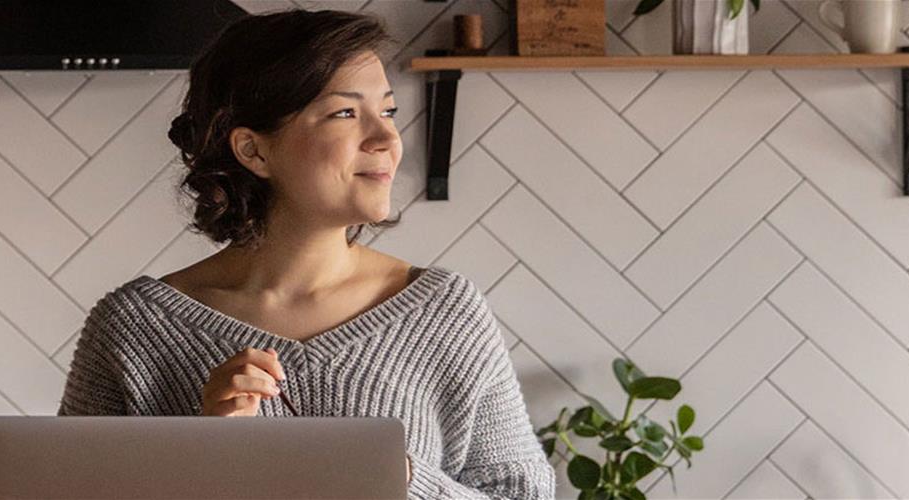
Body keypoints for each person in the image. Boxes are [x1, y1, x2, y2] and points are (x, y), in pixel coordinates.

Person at [56, 8, 556, 500]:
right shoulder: (132, 329)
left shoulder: (446, 312)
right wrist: (201, 455)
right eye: (345, 112)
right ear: (253, 150)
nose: (386, 139)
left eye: (387, 111)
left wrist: (400, 479)